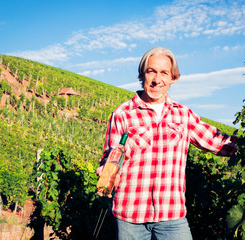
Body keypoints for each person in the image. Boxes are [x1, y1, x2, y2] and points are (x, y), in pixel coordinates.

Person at [96, 47, 237, 240]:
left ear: (173, 78)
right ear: (142, 75)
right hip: (129, 215)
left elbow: (217, 142)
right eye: (151, 71)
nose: (157, 79)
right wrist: (106, 169)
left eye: (164, 73)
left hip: (171, 216)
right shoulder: (122, 114)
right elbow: (110, 155)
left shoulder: (183, 115)